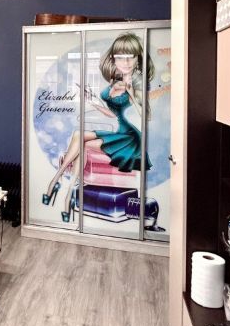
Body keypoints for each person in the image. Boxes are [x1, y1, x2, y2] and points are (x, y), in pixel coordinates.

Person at [42, 32, 154, 221]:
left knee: (81, 141)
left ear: (138, 58)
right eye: (120, 57)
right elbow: (113, 113)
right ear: (113, 59)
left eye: (131, 56)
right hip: (118, 129)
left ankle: (58, 186)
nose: (126, 62)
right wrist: (93, 102)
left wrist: (132, 94)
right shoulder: (116, 80)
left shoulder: (138, 84)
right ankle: (64, 189)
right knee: (79, 136)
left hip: (128, 137)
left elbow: (147, 116)